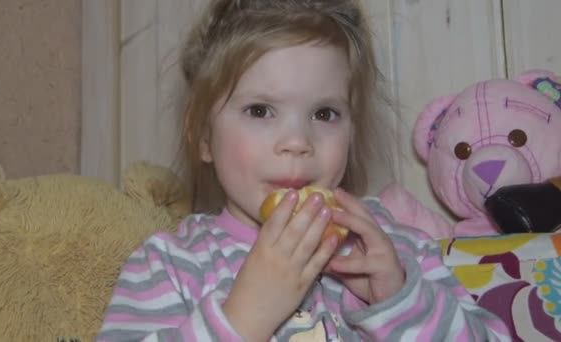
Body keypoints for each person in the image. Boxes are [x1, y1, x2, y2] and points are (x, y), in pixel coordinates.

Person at [98, 0, 511, 341]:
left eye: (325, 113)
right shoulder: (169, 263)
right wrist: (243, 316)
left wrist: (400, 300)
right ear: (203, 135)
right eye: (260, 110)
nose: (298, 141)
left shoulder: (397, 250)